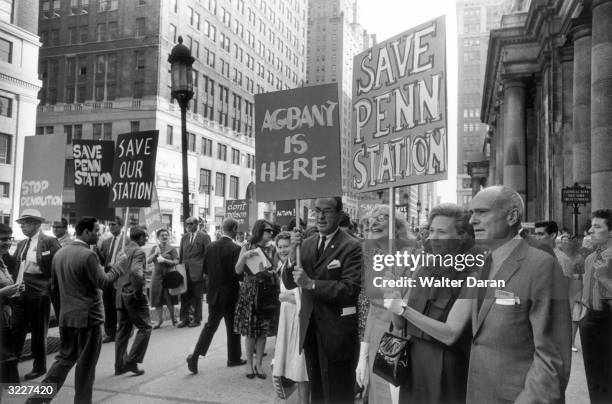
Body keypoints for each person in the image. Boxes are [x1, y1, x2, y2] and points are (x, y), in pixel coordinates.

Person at [466, 186, 570, 402]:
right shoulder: (484, 264)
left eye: (482, 212)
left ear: (512, 216)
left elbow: (552, 357)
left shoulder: (541, 265)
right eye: (471, 213)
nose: (472, 221)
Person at [382, 204, 477, 403]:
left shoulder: (471, 275)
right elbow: (400, 324)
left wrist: (403, 309)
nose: (433, 237)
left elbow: (450, 334)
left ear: (461, 237)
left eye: (442, 232)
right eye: (431, 230)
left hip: (446, 367)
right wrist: (392, 296)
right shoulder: (422, 269)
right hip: (412, 363)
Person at [26, 217, 124, 404]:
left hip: (67, 317)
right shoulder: (88, 255)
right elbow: (104, 282)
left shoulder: (60, 254)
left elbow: (54, 287)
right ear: (86, 232)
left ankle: (37, 399)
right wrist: (120, 264)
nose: (99, 234)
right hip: (89, 319)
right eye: (96, 230)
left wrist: (63, 312)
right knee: (86, 367)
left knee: (64, 359)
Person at [283, 197, 362, 404]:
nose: (320, 216)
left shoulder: (352, 246)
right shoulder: (306, 245)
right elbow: (290, 283)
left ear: (339, 214)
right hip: (310, 330)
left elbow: (350, 289)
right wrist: (292, 254)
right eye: (317, 211)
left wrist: (312, 284)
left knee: (338, 392)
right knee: (317, 391)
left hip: (337, 333)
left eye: (326, 211)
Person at [355, 205, 417, 403]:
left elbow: (411, 309)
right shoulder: (374, 257)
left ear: (396, 228)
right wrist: (363, 352)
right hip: (374, 338)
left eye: (381, 218)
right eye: (370, 222)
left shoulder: (413, 256)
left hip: (399, 338)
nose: (374, 223)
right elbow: (373, 307)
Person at [186, 218, 246, 374]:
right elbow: (238, 274)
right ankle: (234, 358)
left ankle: (195, 355)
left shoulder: (211, 247)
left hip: (214, 294)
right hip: (230, 294)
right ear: (233, 229)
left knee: (210, 327)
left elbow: (205, 270)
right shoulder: (235, 248)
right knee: (233, 327)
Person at [11, 209, 62, 380]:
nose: (22, 226)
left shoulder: (49, 242)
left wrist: (49, 286)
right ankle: (11, 365)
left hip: (40, 291)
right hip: (21, 290)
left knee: (39, 331)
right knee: (16, 329)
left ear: (36, 224)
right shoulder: (21, 244)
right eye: (21, 224)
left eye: (25, 223)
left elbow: (58, 266)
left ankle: (39, 367)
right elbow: (14, 266)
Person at [234, 219, 278, 379]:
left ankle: (259, 364)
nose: (271, 233)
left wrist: (272, 272)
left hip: (266, 291)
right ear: (260, 231)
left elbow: (276, 269)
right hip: (250, 291)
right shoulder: (246, 246)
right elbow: (238, 270)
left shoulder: (273, 248)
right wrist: (244, 256)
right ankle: (249, 365)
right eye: (268, 230)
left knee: (263, 330)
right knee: (250, 331)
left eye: (272, 231)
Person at [579, 209, 612, 403]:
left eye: (597, 226)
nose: (590, 230)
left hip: (609, 319)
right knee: (595, 378)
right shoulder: (591, 258)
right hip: (591, 319)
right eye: (591, 226)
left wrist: (606, 279)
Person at [272, 231, 309, 404]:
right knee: (292, 366)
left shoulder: (298, 263)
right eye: (280, 247)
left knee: (300, 367)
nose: (283, 250)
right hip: (287, 318)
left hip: (298, 318)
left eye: (286, 246)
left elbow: (305, 294)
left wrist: (285, 297)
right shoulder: (282, 265)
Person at [114, 226, 151, 376]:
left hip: (120, 293)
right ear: (140, 238)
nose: (146, 239)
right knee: (145, 327)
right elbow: (136, 272)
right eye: (145, 237)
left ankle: (120, 365)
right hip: (132, 294)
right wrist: (139, 291)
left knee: (123, 331)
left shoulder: (122, 250)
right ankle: (130, 361)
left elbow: (115, 270)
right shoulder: (138, 251)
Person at [178, 216, 211, 328]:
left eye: (191, 224)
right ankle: (184, 319)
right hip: (185, 271)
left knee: (197, 297)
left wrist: (206, 271)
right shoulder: (184, 237)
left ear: (197, 224)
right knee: (184, 295)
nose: (188, 226)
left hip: (198, 271)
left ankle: (197, 319)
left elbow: (208, 255)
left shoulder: (204, 236)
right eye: (187, 224)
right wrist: (179, 270)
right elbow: (181, 255)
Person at [97, 217, 125, 343]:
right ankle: (110, 332)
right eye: (110, 224)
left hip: (121, 273)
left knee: (119, 304)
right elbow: (103, 260)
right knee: (108, 304)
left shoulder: (126, 241)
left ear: (120, 226)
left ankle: (125, 330)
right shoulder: (107, 241)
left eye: (114, 224)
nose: (111, 227)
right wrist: (96, 249)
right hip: (108, 272)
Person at [0, 223, 21, 383]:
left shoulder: (2, 260)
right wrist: (4, 292)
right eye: (2, 239)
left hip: (4, 317)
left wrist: (15, 289)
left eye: (9, 238)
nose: (7, 242)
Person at [147, 228, 179, 328]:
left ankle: (173, 318)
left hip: (168, 276)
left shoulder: (172, 248)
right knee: (157, 299)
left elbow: (177, 261)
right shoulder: (154, 248)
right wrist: (155, 253)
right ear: (158, 237)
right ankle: (159, 320)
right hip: (156, 276)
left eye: (166, 235)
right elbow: (148, 261)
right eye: (162, 235)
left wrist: (164, 260)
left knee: (169, 298)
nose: (164, 237)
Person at [557, 234, 584, 352]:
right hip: (560, 289)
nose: (565, 243)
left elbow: (585, 275)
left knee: (575, 318)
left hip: (575, 289)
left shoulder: (579, 257)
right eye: (563, 241)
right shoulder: (556, 255)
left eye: (568, 241)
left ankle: (572, 342)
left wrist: (573, 275)